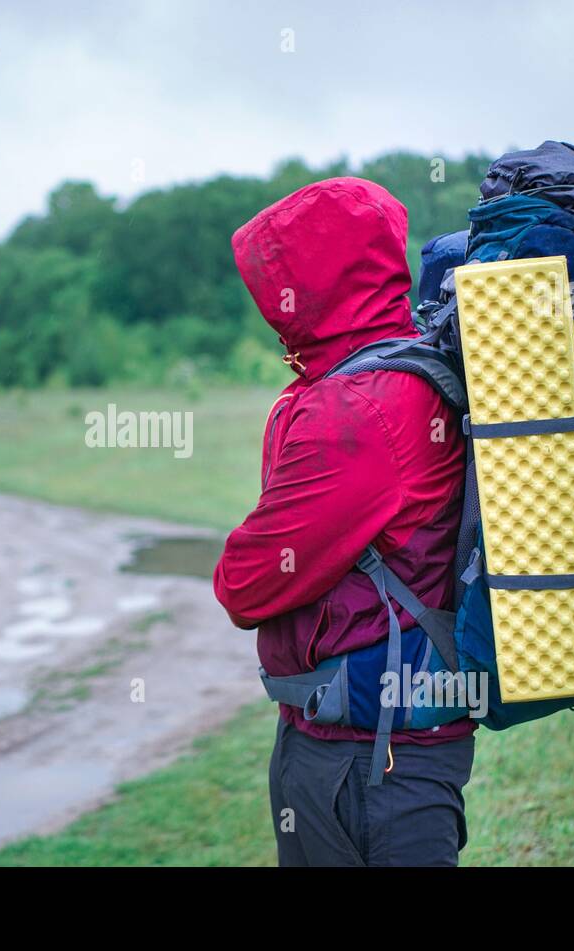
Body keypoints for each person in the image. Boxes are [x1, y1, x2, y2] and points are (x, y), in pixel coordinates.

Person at [213, 177, 473, 867]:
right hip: (394, 748)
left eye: (276, 278)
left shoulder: (357, 408)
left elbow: (245, 585)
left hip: (361, 761)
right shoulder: (408, 367)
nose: (270, 301)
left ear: (313, 281)